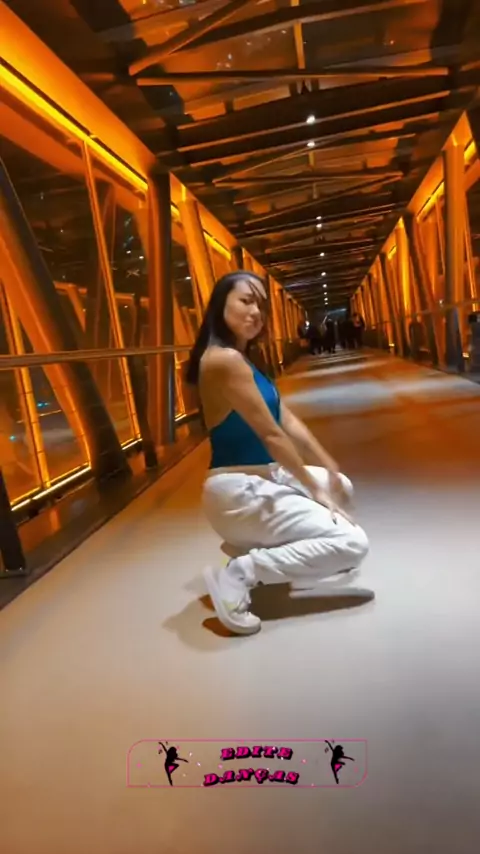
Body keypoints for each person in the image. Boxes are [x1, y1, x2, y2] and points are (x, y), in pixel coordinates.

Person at [186, 272, 372, 636]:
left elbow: (285, 418)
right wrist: (313, 489)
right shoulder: (223, 361)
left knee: (341, 487)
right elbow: (271, 435)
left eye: (261, 305)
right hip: (237, 491)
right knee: (353, 543)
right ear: (220, 305)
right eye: (246, 301)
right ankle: (241, 573)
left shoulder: (243, 359)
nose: (256, 312)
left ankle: (254, 545)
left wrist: (328, 465)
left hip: (263, 477)